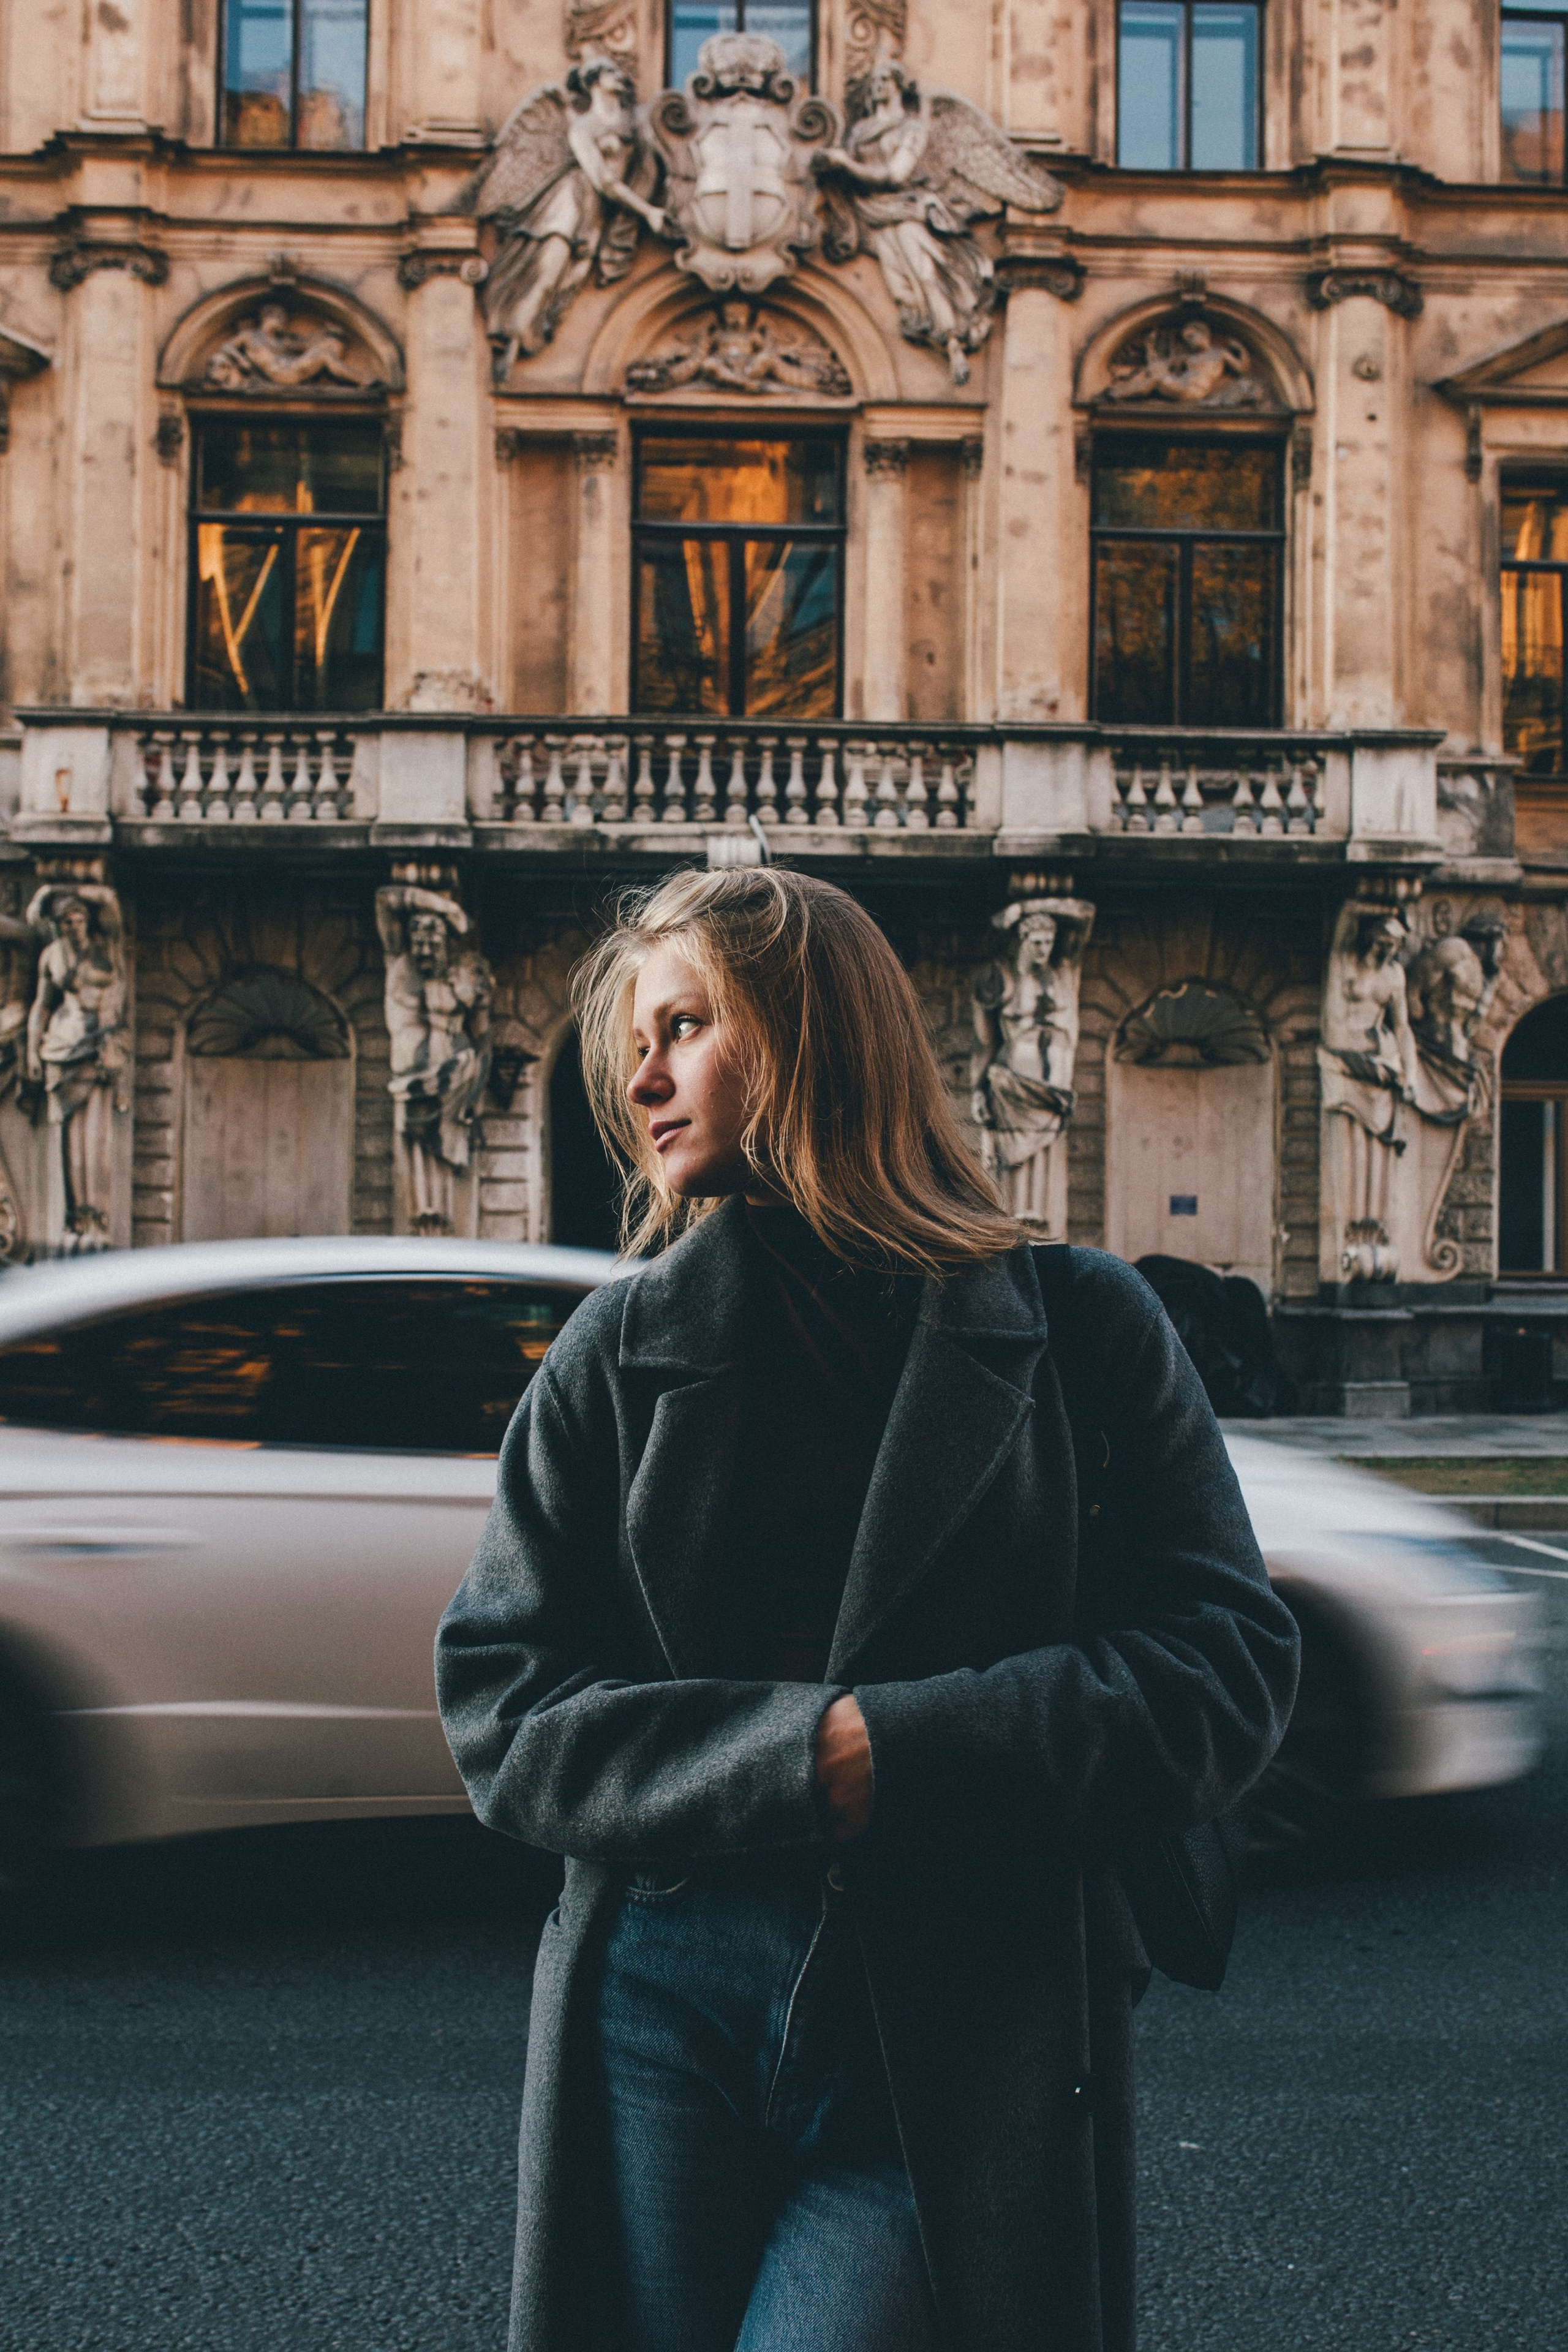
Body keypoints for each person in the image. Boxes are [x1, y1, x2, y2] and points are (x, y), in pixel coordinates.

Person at [435, 867, 1298, 2352]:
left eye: (685, 1027)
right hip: (662, 1990)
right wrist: (794, 1760)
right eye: (635, 1043)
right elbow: (501, 1712)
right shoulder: (613, 1350)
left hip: (961, 2009)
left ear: (812, 1034)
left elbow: (1222, 1672)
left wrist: (898, 1750)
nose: (639, 1082)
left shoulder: (1081, 1325)